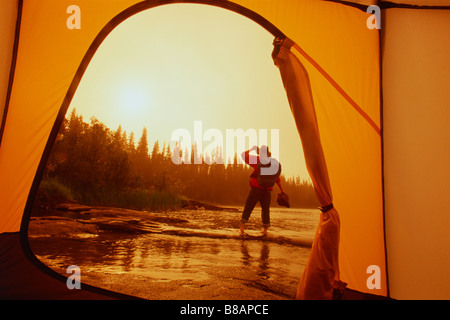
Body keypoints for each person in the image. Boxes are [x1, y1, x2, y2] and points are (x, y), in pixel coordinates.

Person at [239, 145, 285, 236]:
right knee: (265, 210)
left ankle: (242, 228)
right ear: (268, 153)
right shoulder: (272, 163)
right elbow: (277, 178)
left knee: (248, 207)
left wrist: (252, 149)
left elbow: (243, 155)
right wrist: (282, 190)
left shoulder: (257, 160)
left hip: (256, 188)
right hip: (267, 191)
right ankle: (265, 230)